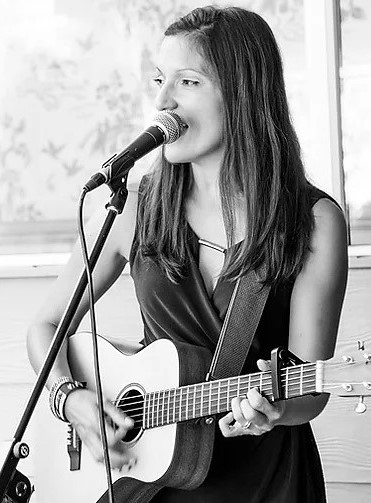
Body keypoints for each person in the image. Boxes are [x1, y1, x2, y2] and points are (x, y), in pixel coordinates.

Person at [27, 5, 348, 503]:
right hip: (148, 483)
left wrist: (277, 410)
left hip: (269, 485)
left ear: (244, 94)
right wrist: (73, 401)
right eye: (160, 80)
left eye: (188, 82)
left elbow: (312, 386)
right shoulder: (131, 210)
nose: (162, 102)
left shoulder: (311, 222)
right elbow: (44, 329)